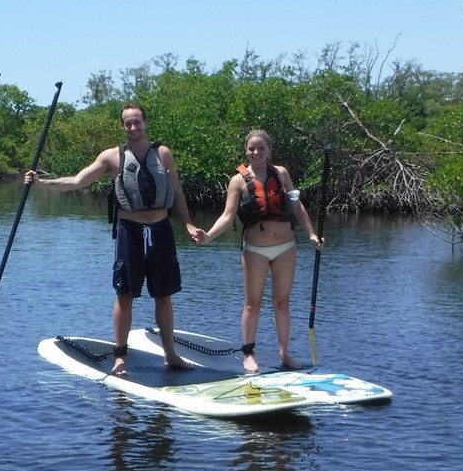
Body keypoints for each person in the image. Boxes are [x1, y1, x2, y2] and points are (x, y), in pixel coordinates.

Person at [26, 103, 202, 376]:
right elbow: (78, 181)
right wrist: (41, 183)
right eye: (128, 123)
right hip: (130, 231)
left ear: (145, 123)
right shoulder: (111, 157)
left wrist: (188, 223)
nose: (133, 127)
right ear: (123, 126)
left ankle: (170, 355)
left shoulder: (163, 153)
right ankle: (120, 357)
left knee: (163, 295)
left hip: (161, 230)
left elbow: (177, 191)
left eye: (137, 122)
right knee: (125, 295)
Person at [198, 128, 323, 372]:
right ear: (246, 151)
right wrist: (209, 236)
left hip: (286, 248)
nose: (256, 152)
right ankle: (248, 354)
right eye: (251, 148)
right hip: (255, 250)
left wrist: (311, 233)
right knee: (252, 304)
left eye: (261, 148)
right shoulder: (237, 181)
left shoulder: (281, 173)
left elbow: (297, 206)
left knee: (282, 303)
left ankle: (285, 354)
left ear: (269, 150)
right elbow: (227, 216)